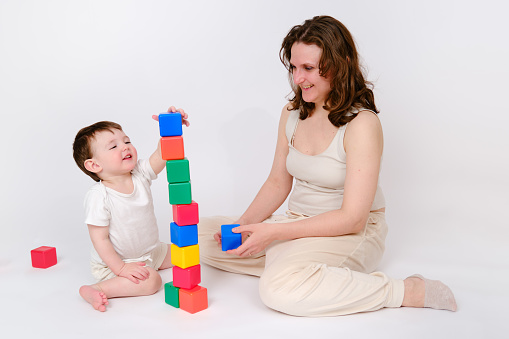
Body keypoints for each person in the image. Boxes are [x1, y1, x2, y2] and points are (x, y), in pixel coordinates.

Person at [198, 16, 457, 316]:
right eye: (294, 67)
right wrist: (241, 228)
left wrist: (276, 233)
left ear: (340, 64)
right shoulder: (291, 113)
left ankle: (404, 290)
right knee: (203, 234)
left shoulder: (362, 124)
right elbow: (277, 183)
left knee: (276, 289)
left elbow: (353, 219)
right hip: (297, 222)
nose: (298, 78)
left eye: (308, 68)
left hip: (352, 233)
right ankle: (290, 262)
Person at [73, 107, 188, 312]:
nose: (125, 147)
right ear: (94, 165)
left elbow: (162, 155)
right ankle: (96, 288)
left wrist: (171, 128)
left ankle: (153, 263)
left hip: (152, 252)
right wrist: (122, 268)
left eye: (126, 141)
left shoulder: (139, 173)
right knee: (153, 282)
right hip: (118, 262)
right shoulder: (99, 196)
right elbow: (100, 239)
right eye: (113, 146)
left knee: (186, 251)